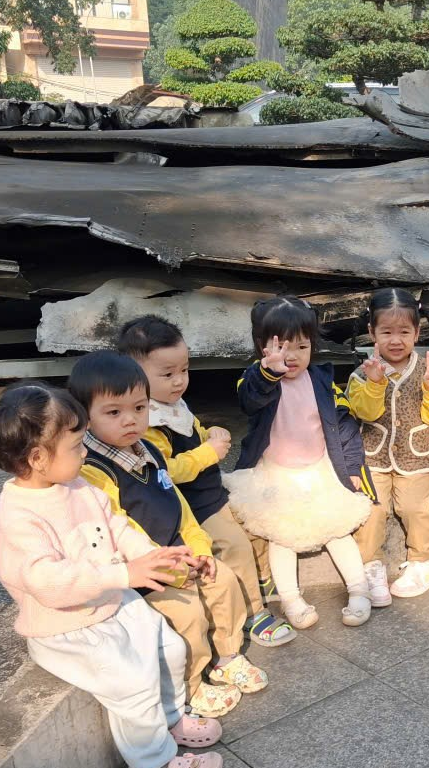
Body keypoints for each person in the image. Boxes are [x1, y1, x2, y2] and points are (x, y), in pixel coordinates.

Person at [0, 382, 223, 768]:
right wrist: (123, 573)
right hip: (68, 626)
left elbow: (116, 527)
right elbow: (47, 581)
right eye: (76, 446)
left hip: (112, 601)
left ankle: (171, 719)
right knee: (132, 683)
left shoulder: (78, 486)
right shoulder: (21, 515)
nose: (85, 453)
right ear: (38, 458)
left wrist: (151, 556)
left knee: (168, 646)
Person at [69, 351, 265, 719]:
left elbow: (178, 506)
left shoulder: (149, 450)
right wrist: (170, 567)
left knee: (223, 580)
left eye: (139, 408)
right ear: (84, 416)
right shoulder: (94, 471)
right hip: (145, 574)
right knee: (186, 613)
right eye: (114, 412)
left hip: (181, 553)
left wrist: (199, 547)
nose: (131, 420)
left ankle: (227, 656)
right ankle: (190, 684)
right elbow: (118, 534)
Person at [116, 315, 292, 649]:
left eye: (184, 370)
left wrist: (209, 432)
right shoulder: (147, 421)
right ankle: (253, 613)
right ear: (133, 376)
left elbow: (193, 429)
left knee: (256, 519)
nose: (179, 381)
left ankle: (260, 579)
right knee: (234, 545)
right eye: (167, 374)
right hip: (195, 504)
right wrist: (208, 453)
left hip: (213, 489)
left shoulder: (172, 404)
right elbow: (165, 470)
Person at [224, 297, 376, 627]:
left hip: (319, 470)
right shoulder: (255, 378)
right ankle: (292, 600)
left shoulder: (321, 381)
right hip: (276, 475)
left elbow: (344, 424)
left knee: (338, 532)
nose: (291, 356)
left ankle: (359, 589)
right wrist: (268, 372)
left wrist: (352, 468)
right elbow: (249, 401)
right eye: (281, 347)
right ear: (262, 347)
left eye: (302, 347)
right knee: (282, 538)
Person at [348, 288, 429, 603]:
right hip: (374, 456)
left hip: (416, 457)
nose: (396, 340)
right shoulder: (361, 374)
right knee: (371, 508)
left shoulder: (428, 371)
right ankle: (369, 565)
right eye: (386, 332)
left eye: (404, 332)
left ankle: (424, 562)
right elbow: (365, 413)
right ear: (372, 333)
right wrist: (375, 383)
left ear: (417, 333)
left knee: (415, 508)